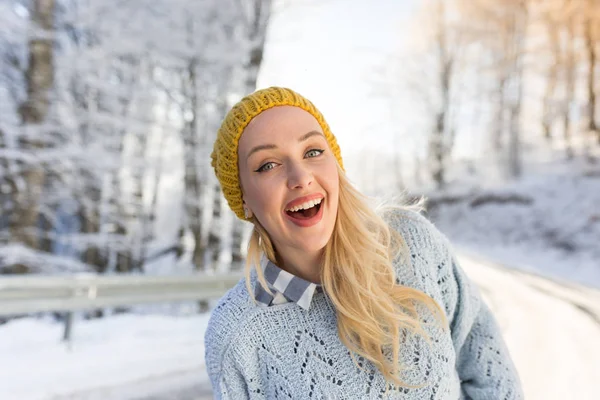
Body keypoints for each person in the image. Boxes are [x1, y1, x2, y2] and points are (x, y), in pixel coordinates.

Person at [205, 87, 523, 399]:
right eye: (268, 165)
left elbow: (491, 373)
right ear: (243, 199)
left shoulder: (411, 244)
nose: (300, 176)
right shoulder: (237, 333)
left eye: (313, 152)